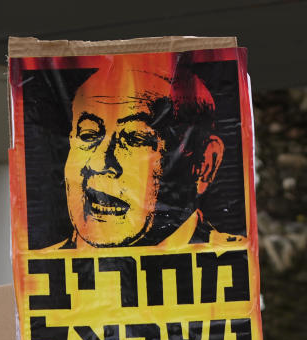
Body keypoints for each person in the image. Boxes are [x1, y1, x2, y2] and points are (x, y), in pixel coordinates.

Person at [54, 61, 243, 249]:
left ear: (204, 164)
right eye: (88, 135)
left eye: (135, 138)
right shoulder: (34, 271)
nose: (99, 163)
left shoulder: (231, 260)